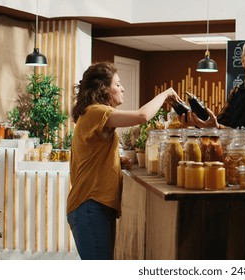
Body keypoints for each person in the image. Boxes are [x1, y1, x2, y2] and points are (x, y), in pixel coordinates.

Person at [66, 62, 181, 260]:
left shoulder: (92, 114)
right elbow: (142, 115)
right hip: (90, 205)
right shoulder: (96, 111)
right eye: (118, 84)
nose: (122, 88)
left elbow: (91, 156)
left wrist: (115, 162)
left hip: (96, 205)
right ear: (103, 88)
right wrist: (165, 94)